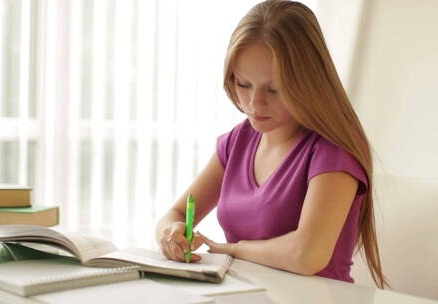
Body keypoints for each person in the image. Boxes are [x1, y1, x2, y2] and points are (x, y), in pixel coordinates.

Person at [155, 0, 387, 287]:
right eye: (243, 84)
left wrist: (231, 250)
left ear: (308, 81)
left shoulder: (332, 151)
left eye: (273, 89)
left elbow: (308, 254)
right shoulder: (238, 141)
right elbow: (176, 213)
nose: (254, 104)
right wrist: (170, 234)